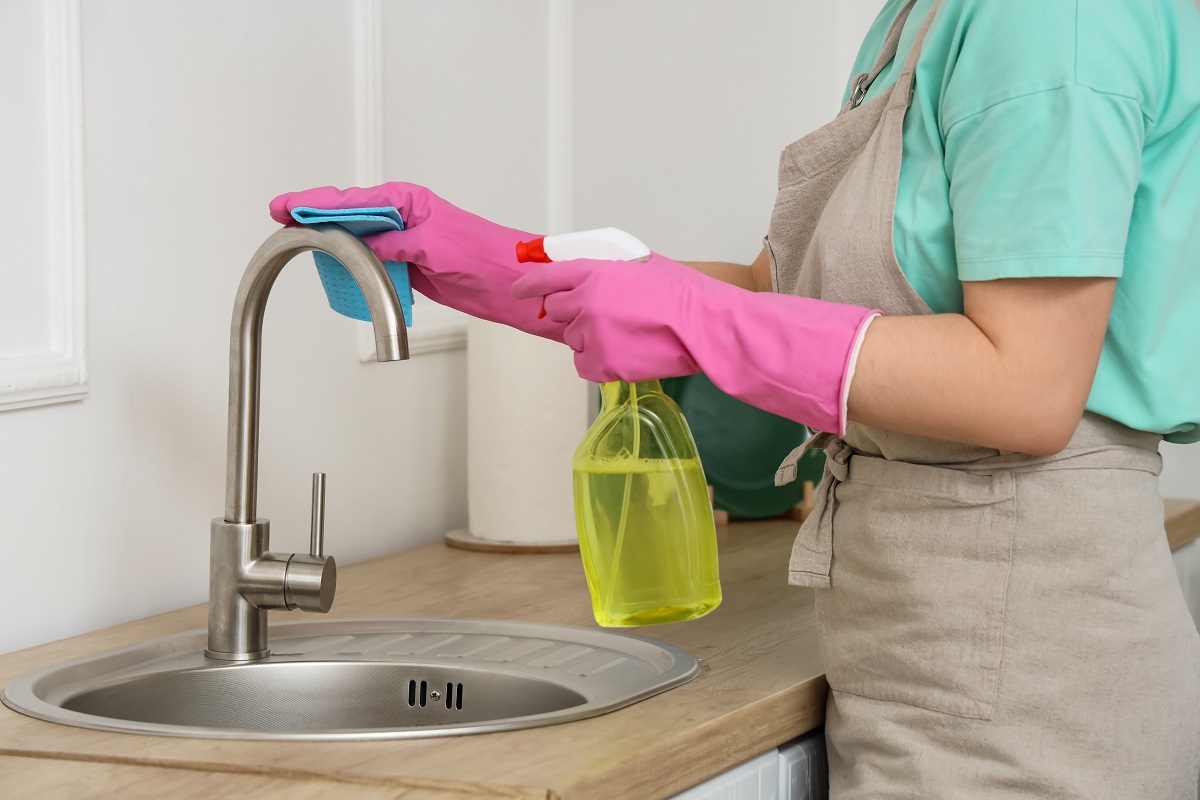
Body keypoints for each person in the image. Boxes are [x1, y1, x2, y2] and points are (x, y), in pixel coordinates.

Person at [270, 0, 1200, 796]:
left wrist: (693, 320)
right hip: (930, 631)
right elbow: (783, 296)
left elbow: (1027, 384)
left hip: (1026, 671)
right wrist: (487, 262)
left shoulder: (1051, 21)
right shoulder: (930, 17)